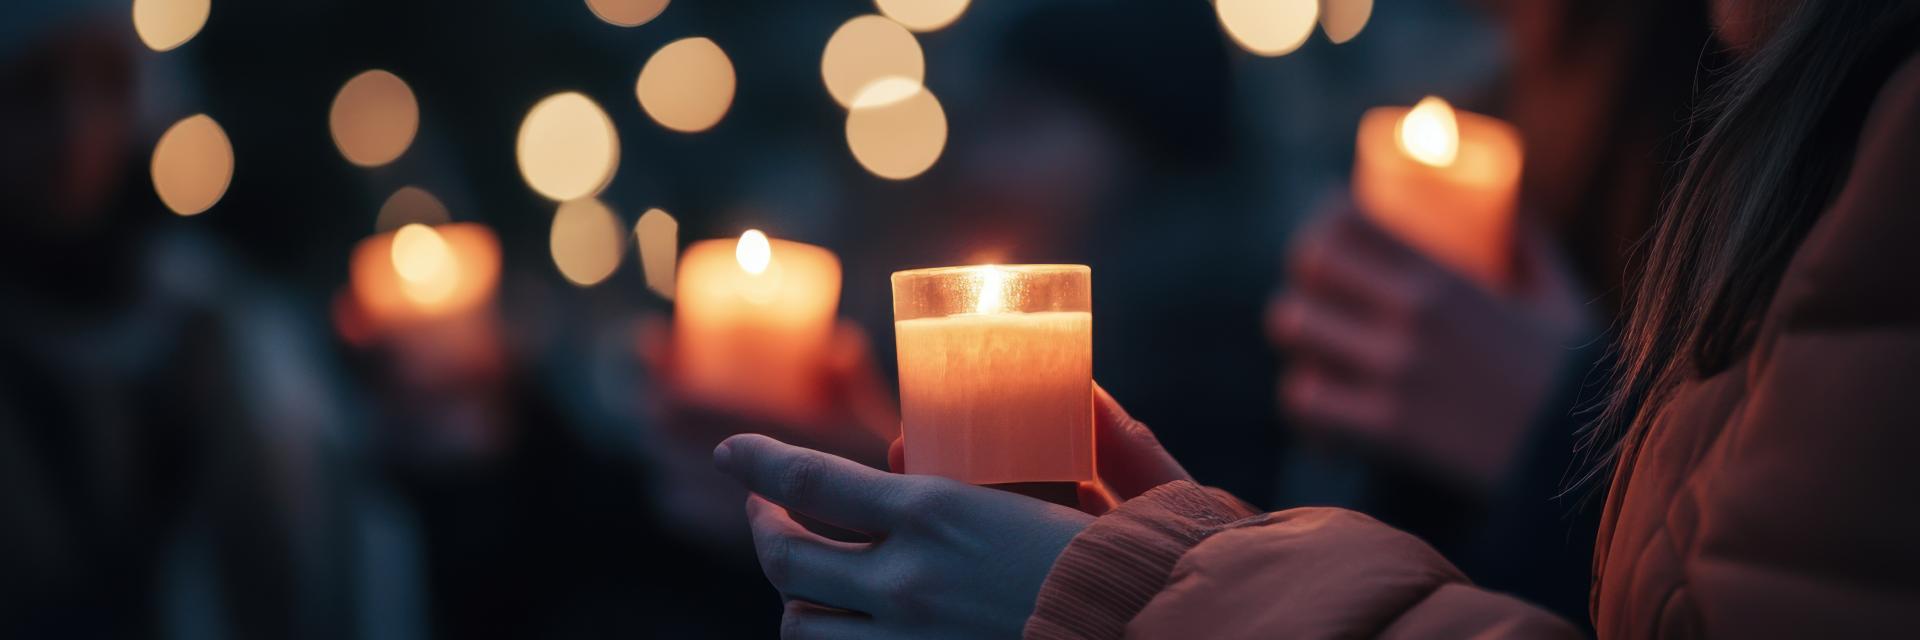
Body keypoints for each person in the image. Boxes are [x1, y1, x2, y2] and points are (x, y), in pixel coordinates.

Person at [713, 0, 1920, 636]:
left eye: (1033, 121)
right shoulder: (1549, 89)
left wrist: (1554, 426)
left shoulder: (1782, 106)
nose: (984, 156)